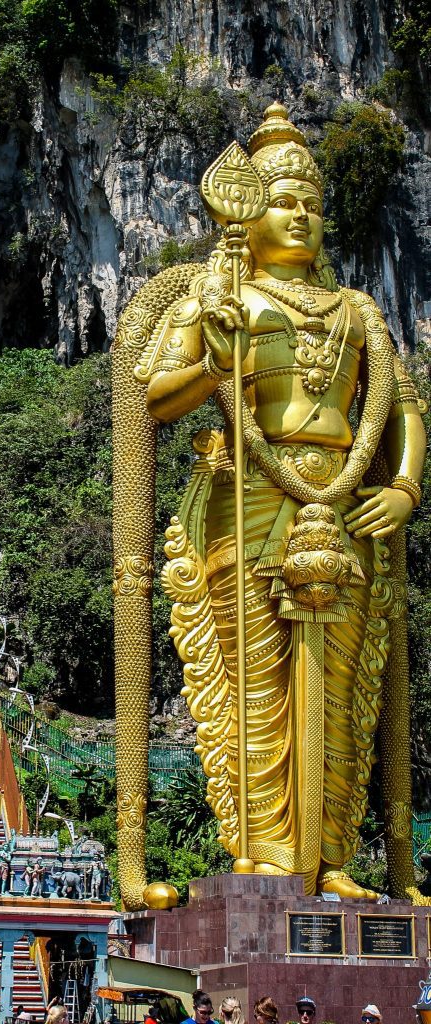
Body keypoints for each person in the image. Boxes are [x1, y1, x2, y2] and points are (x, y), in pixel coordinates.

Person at [113, 101, 427, 906]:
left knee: (345, 682)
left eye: (311, 206)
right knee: (257, 683)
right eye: (282, 201)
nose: (299, 217)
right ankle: (264, 852)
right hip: (248, 497)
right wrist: (214, 359)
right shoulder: (220, 299)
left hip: (345, 500)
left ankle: (330, 859)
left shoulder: (357, 311)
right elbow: (153, 397)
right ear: (244, 213)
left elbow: (402, 410)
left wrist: (401, 486)